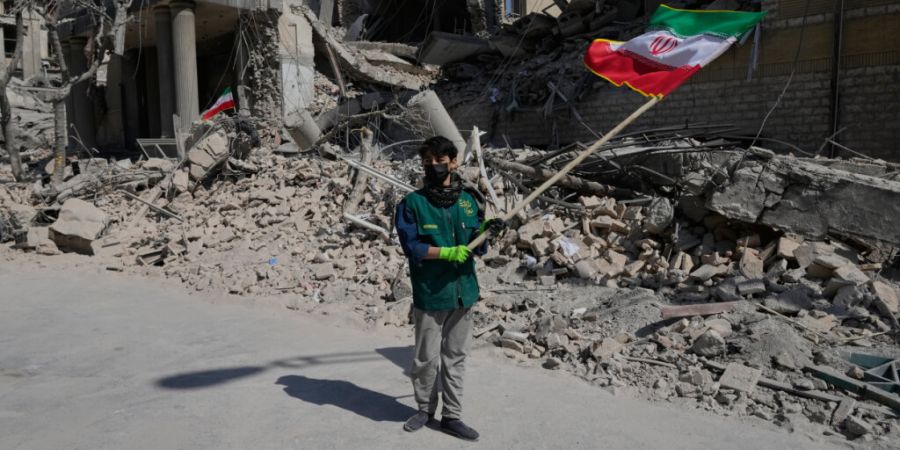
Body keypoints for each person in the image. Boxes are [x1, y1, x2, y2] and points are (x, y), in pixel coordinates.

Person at [394, 136, 504, 441]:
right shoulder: (412, 204)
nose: (433, 166)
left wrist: (486, 233)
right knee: (425, 357)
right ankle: (424, 409)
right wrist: (445, 252)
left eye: (439, 160)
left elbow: (476, 248)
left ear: (454, 162)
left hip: (463, 291)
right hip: (431, 292)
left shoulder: (469, 201)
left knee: (455, 357)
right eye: (427, 161)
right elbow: (412, 247)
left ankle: (451, 416)